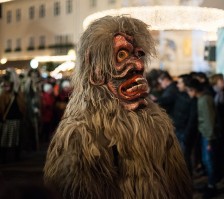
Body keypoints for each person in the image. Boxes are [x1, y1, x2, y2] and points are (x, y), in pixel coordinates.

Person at [44, 16, 192, 199]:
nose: (138, 65)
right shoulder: (82, 133)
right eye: (122, 55)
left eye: (139, 54)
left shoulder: (158, 122)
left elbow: (178, 184)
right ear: (96, 69)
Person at [186, 78, 218, 199]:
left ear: (193, 90)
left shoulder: (204, 100)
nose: (188, 94)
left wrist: (209, 139)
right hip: (205, 134)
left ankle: (212, 186)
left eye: (189, 91)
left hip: (208, 136)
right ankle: (210, 184)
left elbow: (209, 121)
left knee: (209, 161)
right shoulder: (202, 98)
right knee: (206, 161)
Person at [0, 68, 26, 163]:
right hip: (7, 120)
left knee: (17, 141)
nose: (6, 85)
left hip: (16, 120)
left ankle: (16, 157)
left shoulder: (17, 94)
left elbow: (22, 106)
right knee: (4, 141)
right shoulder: (3, 95)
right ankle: (4, 158)